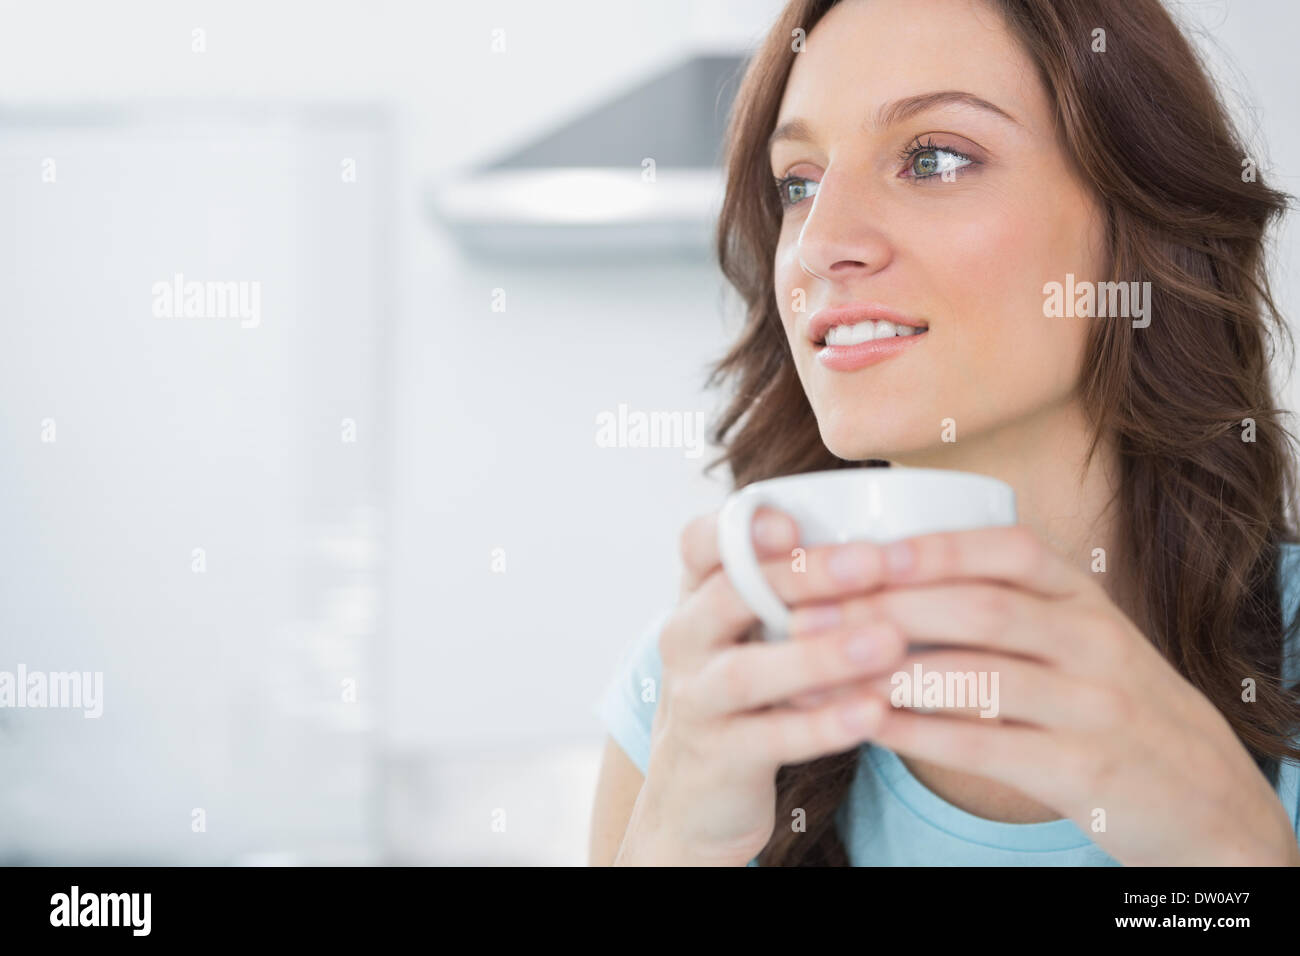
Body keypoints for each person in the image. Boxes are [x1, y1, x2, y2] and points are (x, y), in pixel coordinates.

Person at [589, 0, 1300, 866]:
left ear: (1137, 220)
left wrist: (1229, 858)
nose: (820, 244)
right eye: (797, 183)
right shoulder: (704, 687)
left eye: (932, 158)